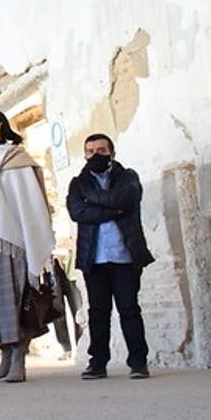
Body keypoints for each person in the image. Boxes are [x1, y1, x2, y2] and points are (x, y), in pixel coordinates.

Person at [0, 110, 55, 383]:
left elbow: (29, 203)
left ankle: (19, 358)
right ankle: (5, 355)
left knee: (14, 303)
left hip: (11, 240)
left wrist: (33, 243)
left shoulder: (15, 159)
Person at [67, 133, 155, 380]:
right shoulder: (78, 183)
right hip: (94, 258)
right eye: (90, 151)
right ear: (85, 155)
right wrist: (113, 209)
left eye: (101, 150)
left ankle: (138, 362)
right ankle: (98, 363)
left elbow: (126, 198)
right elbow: (77, 212)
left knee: (129, 309)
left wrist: (96, 202)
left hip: (125, 255)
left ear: (112, 153)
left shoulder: (128, 177)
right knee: (98, 312)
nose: (96, 155)